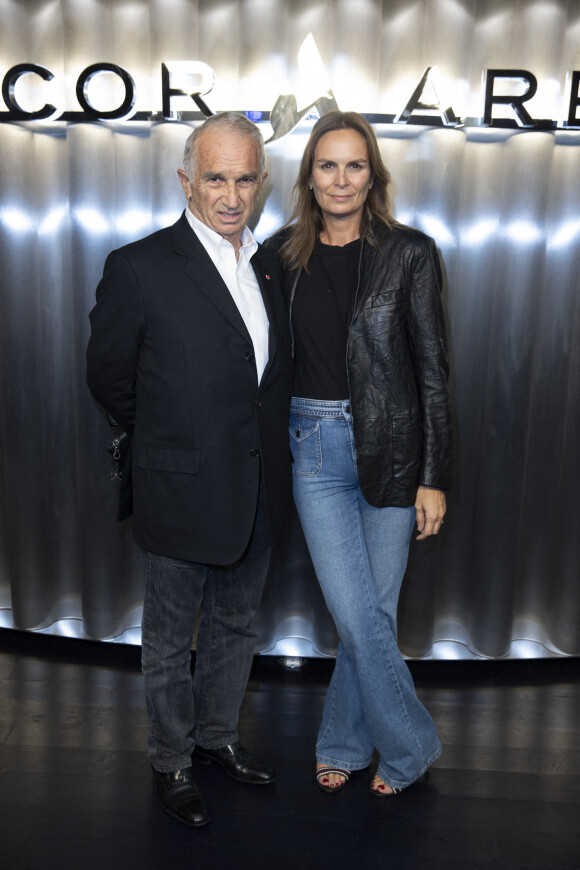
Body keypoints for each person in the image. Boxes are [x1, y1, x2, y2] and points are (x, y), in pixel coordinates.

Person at [86, 113, 292, 827]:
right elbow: (109, 377)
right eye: (215, 178)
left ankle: (217, 739)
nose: (230, 195)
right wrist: (168, 442)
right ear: (186, 181)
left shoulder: (267, 263)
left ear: (260, 184)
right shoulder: (139, 267)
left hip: (259, 488)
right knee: (172, 639)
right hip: (178, 487)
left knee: (237, 628)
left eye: (243, 179)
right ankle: (171, 757)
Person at [266, 111, 452, 797]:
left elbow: (434, 370)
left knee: (371, 612)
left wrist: (435, 477)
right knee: (357, 613)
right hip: (312, 447)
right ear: (309, 176)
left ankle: (344, 741)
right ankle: (414, 743)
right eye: (327, 165)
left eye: (355, 165)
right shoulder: (279, 257)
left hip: (396, 450)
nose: (340, 179)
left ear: (372, 175)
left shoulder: (411, 252)